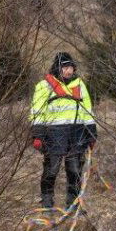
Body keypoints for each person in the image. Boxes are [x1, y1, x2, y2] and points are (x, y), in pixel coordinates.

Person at [29, 52, 98, 211]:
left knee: (74, 170)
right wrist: (38, 135)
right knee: (51, 169)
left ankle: (73, 203)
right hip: (53, 134)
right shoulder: (44, 86)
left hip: (77, 133)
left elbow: (87, 110)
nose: (68, 71)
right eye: (65, 67)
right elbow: (37, 112)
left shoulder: (80, 85)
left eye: (71, 67)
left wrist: (91, 133)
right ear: (57, 68)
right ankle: (47, 201)